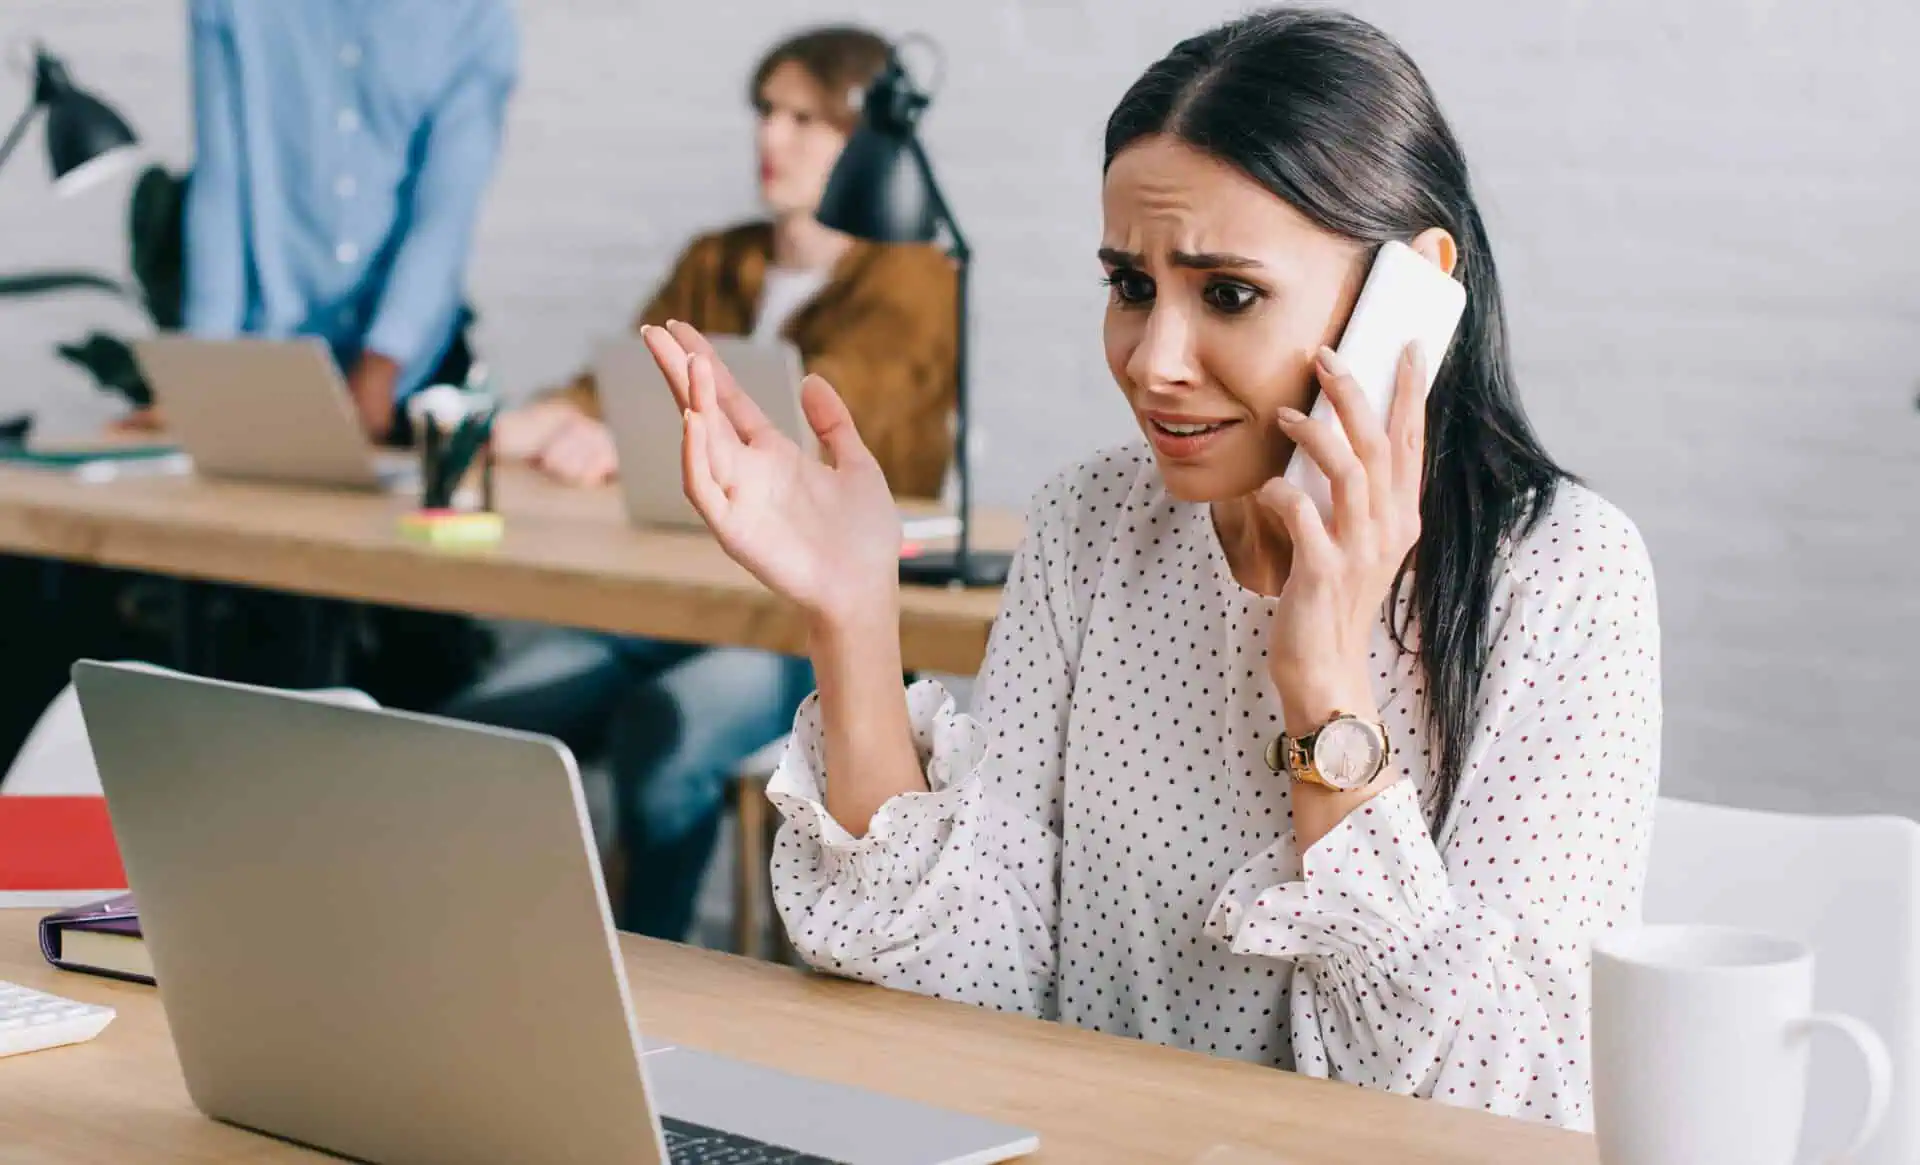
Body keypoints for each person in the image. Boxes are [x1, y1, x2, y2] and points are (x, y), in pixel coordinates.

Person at [643, 7, 1660, 1129]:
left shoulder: (1564, 575)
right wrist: (852, 618)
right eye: (1131, 286)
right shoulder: (1091, 523)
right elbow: (970, 987)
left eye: (1227, 293)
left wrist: (1324, 682)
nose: (1153, 362)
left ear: (1407, 295)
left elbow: (1499, 1101)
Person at [449, 26, 957, 942]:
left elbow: (825, 416)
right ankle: (488, 946)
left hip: (785, 620)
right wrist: (547, 418)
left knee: (665, 733)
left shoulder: (913, 276)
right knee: (478, 719)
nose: (776, 137)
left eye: (808, 118)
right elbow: (620, 377)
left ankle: (649, 972)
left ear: (866, 138)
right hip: (663, 594)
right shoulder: (718, 258)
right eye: (768, 111)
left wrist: (626, 423)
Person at [176, 0, 517, 439]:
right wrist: (200, 375)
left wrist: (383, 361)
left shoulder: (472, 14)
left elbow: (444, 215)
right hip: (267, 357)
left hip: (408, 375)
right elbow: (220, 185)